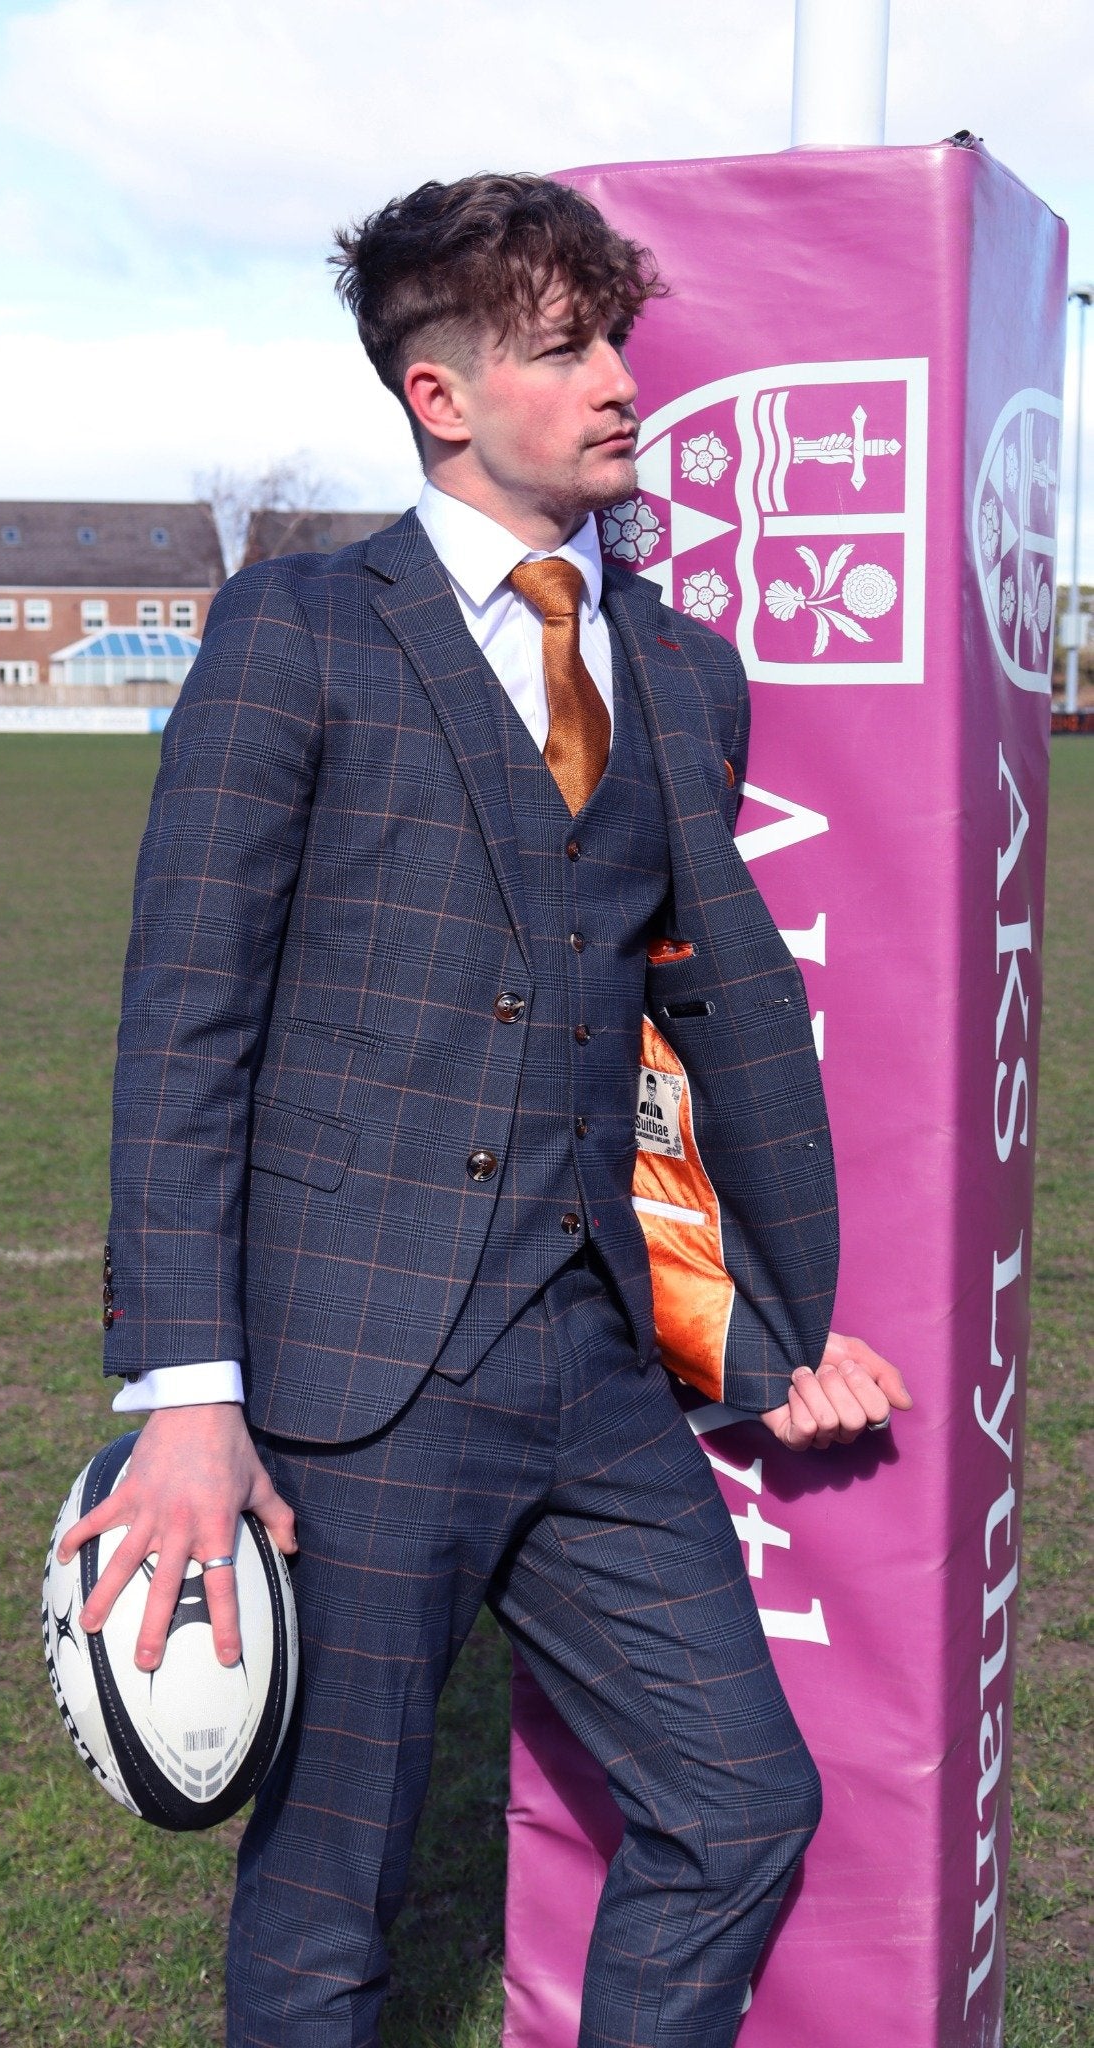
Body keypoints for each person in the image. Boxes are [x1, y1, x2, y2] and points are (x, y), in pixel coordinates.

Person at [60, 173, 912, 2048]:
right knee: (329, 1899)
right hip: (357, 1373)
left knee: (738, 1802)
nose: (619, 380)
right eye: (562, 347)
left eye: (615, 337)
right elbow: (184, 1023)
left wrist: (752, 1335)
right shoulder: (299, 631)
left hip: (596, 1369)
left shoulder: (686, 674)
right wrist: (186, 1406)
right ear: (440, 395)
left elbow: (656, 1060)